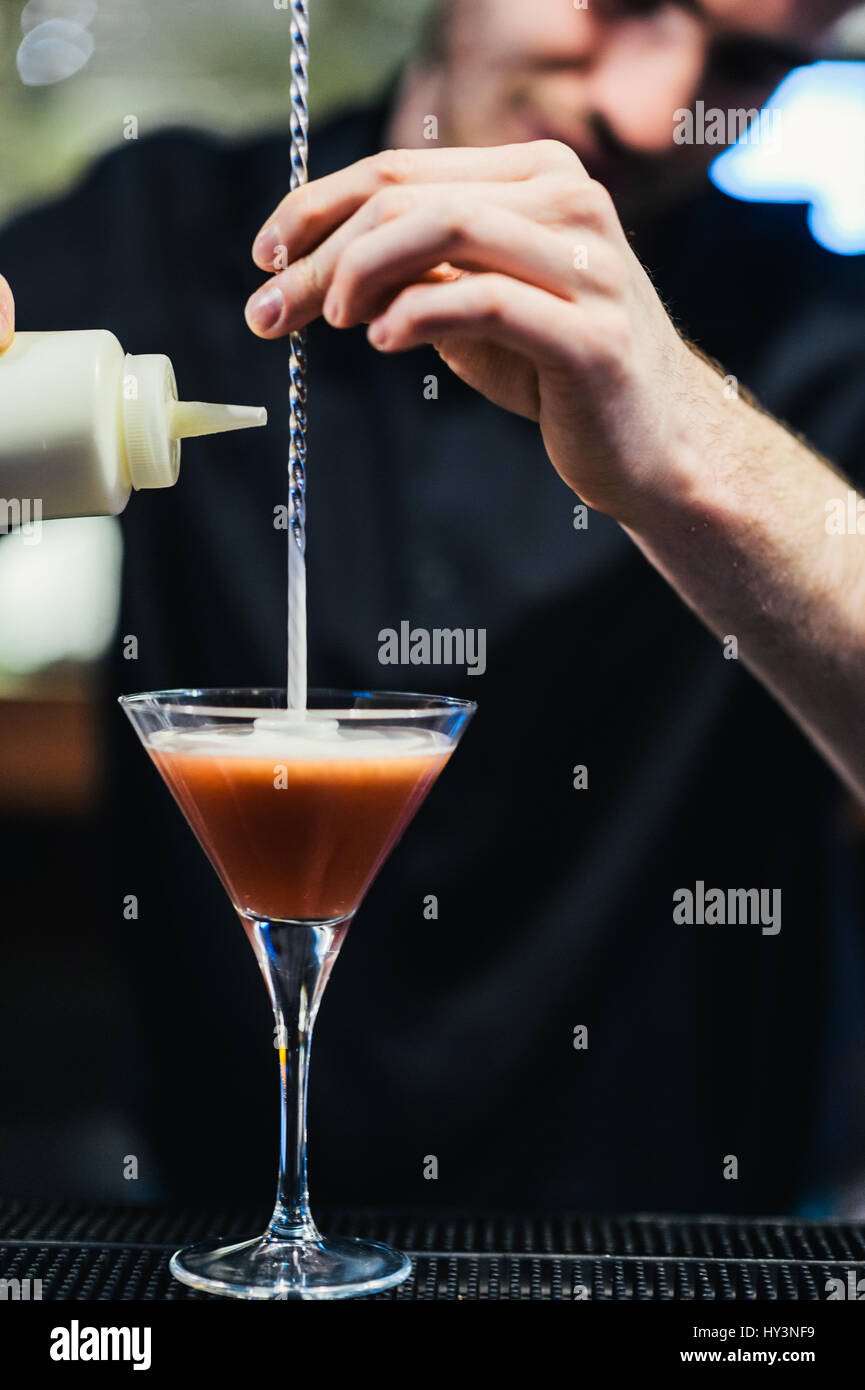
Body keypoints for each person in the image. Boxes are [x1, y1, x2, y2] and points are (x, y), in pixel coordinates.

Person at [1, 0, 864, 1216]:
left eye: (744, 63)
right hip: (209, 1223)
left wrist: (696, 450)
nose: (644, 104)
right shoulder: (163, 231)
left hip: (687, 1232)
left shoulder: (827, 328)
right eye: (623, 2)